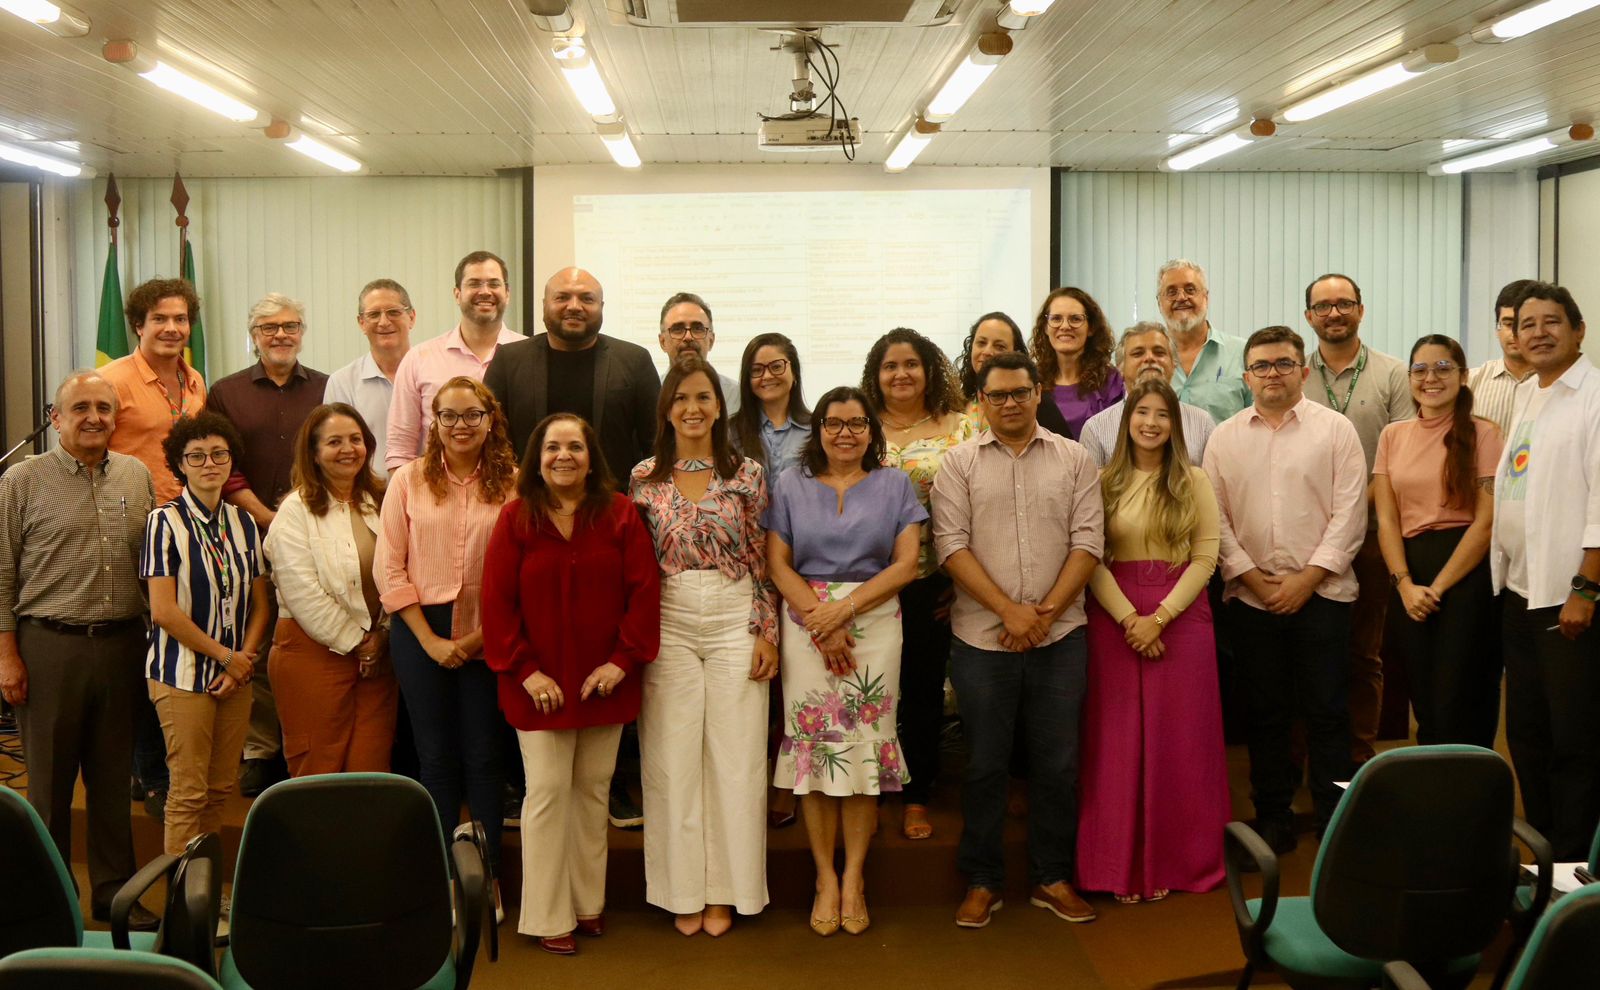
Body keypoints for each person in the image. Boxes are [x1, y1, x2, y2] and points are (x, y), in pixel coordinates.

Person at [931, 351, 1103, 930]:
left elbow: (1088, 543)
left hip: (1061, 637)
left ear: (1037, 394)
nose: (1009, 403)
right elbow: (950, 546)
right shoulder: (957, 464)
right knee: (985, 765)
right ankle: (982, 881)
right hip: (983, 638)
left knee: (1057, 765)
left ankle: (1052, 877)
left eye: (1020, 393)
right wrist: (1010, 611)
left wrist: (1043, 615)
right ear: (981, 401)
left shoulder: (1076, 459)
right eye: (997, 395)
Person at [485, 266, 661, 828]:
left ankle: (613, 787)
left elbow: (652, 445)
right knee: (541, 644)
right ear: (543, 304)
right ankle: (528, 782)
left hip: (609, 525)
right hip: (533, 521)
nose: (574, 304)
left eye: (587, 297)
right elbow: (494, 437)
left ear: (602, 305)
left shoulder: (632, 361)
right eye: (563, 295)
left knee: (605, 646)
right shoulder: (511, 361)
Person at [482, 413, 660, 955]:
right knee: (548, 793)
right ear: (537, 458)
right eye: (553, 447)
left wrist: (620, 663)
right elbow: (496, 604)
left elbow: (644, 594)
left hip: (603, 683)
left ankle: (587, 905)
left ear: (591, 457)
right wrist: (525, 669)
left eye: (575, 447)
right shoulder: (515, 519)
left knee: (591, 794)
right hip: (536, 686)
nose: (564, 456)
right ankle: (545, 913)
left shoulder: (623, 515)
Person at [0, 371, 160, 930]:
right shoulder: (21, 481)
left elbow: (154, 566)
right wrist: (6, 655)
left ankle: (115, 895)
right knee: (47, 786)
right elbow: (1, 573)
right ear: (55, 417)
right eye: (80, 408)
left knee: (114, 783)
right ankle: (48, 900)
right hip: (48, 645)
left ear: (116, 416)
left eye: (103, 407)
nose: (94, 417)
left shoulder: (136, 475)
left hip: (122, 644)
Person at [765, 386, 925, 937]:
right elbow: (776, 563)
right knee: (814, 753)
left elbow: (907, 565)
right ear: (819, 430)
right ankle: (823, 877)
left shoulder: (896, 483)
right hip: (806, 622)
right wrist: (820, 619)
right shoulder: (790, 483)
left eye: (857, 424)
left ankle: (853, 876)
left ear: (871, 431)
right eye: (834, 424)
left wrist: (846, 611)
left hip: (875, 623)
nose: (845, 434)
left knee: (862, 754)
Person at [1203, 326, 1366, 852]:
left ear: (1302, 369)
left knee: (1327, 712)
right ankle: (1272, 815)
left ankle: (1334, 817)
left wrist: (1307, 578)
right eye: (1261, 366)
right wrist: (1252, 577)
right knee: (1266, 713)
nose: (1272, 373)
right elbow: (1216, 520)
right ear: (1246, 375)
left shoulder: (1336, 430)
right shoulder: (1224, 437)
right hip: (1251, 600)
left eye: (1282, 363)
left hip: (1323, 595)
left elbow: (1349, 513)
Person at [630, 353, 776, 936]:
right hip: (668, 615)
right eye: (681, 399)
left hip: (734, 610)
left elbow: (766, 554)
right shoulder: (644, 477)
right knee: (671, 758)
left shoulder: (748, 473)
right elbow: (635, 566)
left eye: (704, 398)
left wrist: (767, 631)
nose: (692, 409)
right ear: (666, 410)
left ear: (721, 407)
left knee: (737, 758)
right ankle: (681, 889)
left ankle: (726, 892)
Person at [1078, 379, 1226, 903]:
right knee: (1115, 744)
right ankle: (1115, 867)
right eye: (1142, 412)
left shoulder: (1194, 480)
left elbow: (1206, 558)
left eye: (1163, 415)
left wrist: (1158, 619)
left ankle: (1174, 862)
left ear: (1175, 424)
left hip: (1181, 617)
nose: (1152, 423)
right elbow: (1088, 556)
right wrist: (1128, 620)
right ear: (1126, 420)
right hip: (1114, 614)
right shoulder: (1100, 481)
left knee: (1177, 742)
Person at [375, 376, 516, 914]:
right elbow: (388, 564)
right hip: (419, 629)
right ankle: (444, 881)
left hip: (491, 626)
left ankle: (488, 878)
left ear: (490, 420)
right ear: (433, 423)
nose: (461, 426)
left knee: (484, 758)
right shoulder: (408, 480)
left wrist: (478, 637)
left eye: (472, 415)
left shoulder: (513, 483)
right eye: (449, 416)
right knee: (435, 760)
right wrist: (431, 640)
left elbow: (522, 568)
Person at [1490, 281, 1600, 863]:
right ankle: (1546, 847)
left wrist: (1585, 588)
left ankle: (1575, 864)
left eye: (1551, 321)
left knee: (1573, 740)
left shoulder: (1595, 396)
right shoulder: (1533, 392)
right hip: (1520, 592)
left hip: (1568, 596)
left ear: (1578, 329)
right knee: (1528, 737)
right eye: (1526, 324)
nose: (1537, 332)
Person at [206, 291, 329, 795]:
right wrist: (267, 516)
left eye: (291, 325)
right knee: (254, 636)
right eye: (269, 327)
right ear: (253, 335)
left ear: (302, 331)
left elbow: (336, 454)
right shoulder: (226, 392)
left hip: (315, 534)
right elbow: (221, 462)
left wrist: (297, 521)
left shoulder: (327, 387)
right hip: (243, 533)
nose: (281, 334)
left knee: (307, 635)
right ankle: (260, 749)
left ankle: (306, 740)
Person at [101, 276, 208, 820]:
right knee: (139, 653)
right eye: (160, 319)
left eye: (181, 319)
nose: (171, 328)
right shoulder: (111, 380)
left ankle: (161, 765)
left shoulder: (195, 381)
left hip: (182, 533)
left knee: (170, 651)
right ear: (138, 325)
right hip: (125, 535)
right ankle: (145, 768)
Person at [141, 412, 271, 857]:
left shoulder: (244, 523)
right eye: (196, 456)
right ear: (180, 464)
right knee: (189, 793)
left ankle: (207, 892)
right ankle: (183, 906)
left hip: (236, 676)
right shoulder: (163, 522)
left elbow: (262, 604)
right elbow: (163, 611)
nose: (209, 463)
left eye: (219, 454)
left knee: (220, 791)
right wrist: (225, 656)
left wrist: (243, 660)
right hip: (181, 674)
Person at [859, 328, 972, 841]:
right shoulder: (858, 428)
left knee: (923, 690)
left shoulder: (961, 428)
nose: (900, 374)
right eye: (889, 366)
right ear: (875, 376)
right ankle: (867, 786)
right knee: (872, 690)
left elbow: (981, 508)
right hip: (866, 582)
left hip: (936, 581)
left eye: (910, 364)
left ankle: (917, 794)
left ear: (929, 369)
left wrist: (962, 582)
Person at [1301, 273, 1413, 765]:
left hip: (1370, 538)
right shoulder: (1292, 375)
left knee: (1364, 656)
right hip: (1301, 544)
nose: (1334, 313)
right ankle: (1310, 761)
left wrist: (1349, 514)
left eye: (1344, 303)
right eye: (1323, 307)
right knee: (1308, 659)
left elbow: (1405, 457)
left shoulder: (1392, 375)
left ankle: (1359, 761)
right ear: (1309, 318)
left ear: (1361, 311)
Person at [1373, 336, 1503, 748]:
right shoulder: (1392, 436)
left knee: (1460, 695)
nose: (1431, 378)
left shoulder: (1484, 434)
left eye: (1443, 368)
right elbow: (1387, 519)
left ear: (1463, 377)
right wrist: (1404, 584)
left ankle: (1471, 799)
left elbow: (1486, 522)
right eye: (1420, 369)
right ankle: (1434, 801)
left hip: (1465, 574)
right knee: (1424, 697)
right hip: (1409, 572)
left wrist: (1440, 587)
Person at [262, 403, 397, 776]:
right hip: (312, 653)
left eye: (355, 439)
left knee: (370, 768)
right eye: (334, 441)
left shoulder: (381, 501)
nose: (347, 449)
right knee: (318, 769)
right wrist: (360, 643)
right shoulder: (295, 511)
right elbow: (302, 593)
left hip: (378, 655)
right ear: (314, 454)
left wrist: (381, 638)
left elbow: (399, 572)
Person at [386, 252, 522, 472]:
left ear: (507, 293)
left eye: (494, 284)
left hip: (512, 494)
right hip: (436, 496)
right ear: (457, 294)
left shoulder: (528, 356)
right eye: (474, 283)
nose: (485, 291)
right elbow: (400, 450)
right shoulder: (420, 359)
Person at [1079, 323, 1217, 467]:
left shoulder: (1203, 423)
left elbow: (1212, 486)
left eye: (1159, 352)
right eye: (1138, 353)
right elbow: (1092, 488)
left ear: (1174, 364)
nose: (1149, 358)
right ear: (1120, 367)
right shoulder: (1096, 429)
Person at [325, 278, 416, 480]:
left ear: (412, 317)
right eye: (374, 314)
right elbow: (335, 454)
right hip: (367, 500)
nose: (384, 322)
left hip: (430, 498)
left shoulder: (433, 374)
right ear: (361, 323)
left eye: (393, 312)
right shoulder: (342, 383)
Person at [1158, 259, 1252, 425]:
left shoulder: (1243, 353)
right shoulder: (1146, 359)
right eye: (1171, 292)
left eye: (1190, 289)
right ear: (1159, 303)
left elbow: (1259, 420)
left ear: (1205, 297)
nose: (1181, 297)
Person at [1030, 288, 1124, 439]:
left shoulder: (1112, 383)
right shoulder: (1032, 382)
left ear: (1091, 328)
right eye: (1056, 319)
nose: (1065, 326)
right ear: (1045, 328)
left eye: (1075, 319)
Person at [730, 332, 810, 480]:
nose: (767, 376)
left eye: (776, 366)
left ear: (794, 373)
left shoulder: (815, 430)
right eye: (757, 370)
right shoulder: (729, 432)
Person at [1469, 278, 1537, 433]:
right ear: (1497, 329)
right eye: (1508, 324)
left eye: (1525, 324)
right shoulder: (1472, 382)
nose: (1515, 333)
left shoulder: (1556, 383)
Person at [657, 292, 739, 413]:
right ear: (662, 342)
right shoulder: (651, 392)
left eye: (697, 329)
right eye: (678, 329)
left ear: (711, 340)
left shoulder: (736, 395)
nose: (688, 337)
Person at [955, 312, 1025, 430]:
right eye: (981, 343)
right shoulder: (957, 404)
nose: (987, 351)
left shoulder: (1032, 403)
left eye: (999, 346)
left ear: (1016, 354)